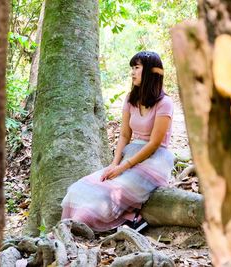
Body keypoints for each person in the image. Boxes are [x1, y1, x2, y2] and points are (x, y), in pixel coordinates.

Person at [61, 51, 174, 232]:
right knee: (78, 188)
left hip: (155, 159)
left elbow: (154, 143)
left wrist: (123, 167)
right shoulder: (131, 99)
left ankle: (124, 220)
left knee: (112, 192)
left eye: (137, 68)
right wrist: (114, 164)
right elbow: (124, 135)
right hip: (130, 154)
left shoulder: (165, 103)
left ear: (150, 72)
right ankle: (129, 218)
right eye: (132, 68)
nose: (132, 72)